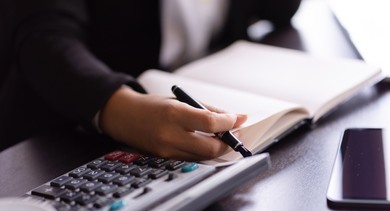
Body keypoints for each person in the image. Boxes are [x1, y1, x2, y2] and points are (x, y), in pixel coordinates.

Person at [0, 0, 301, 160]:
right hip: (60, 136)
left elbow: (279, 8)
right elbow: (43, 35)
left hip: (203, 89)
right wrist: (116, 109)